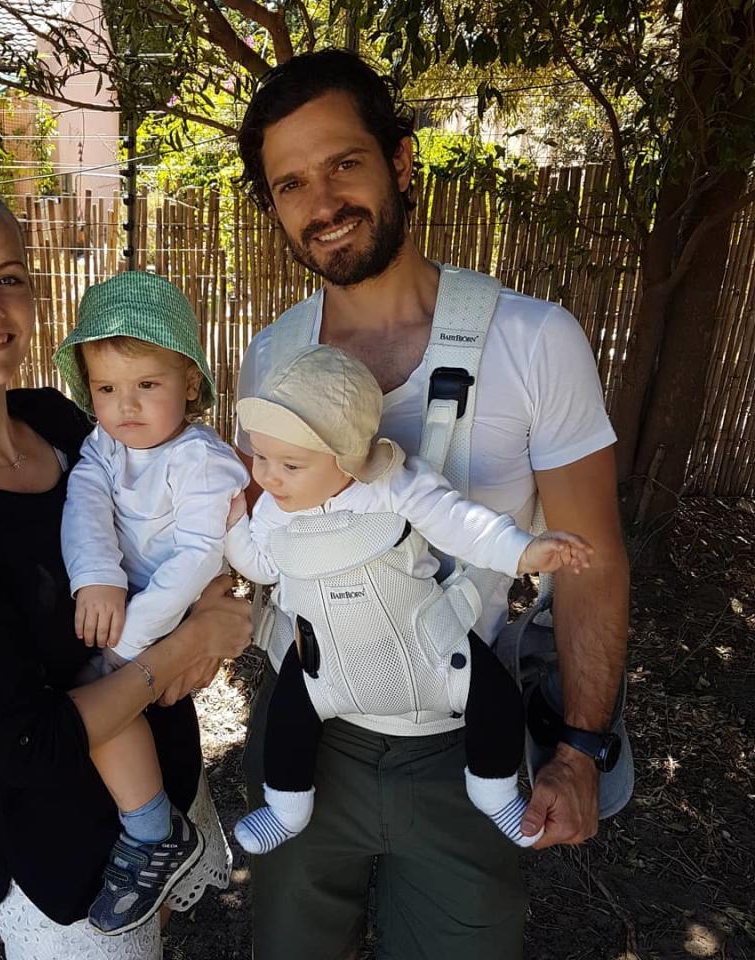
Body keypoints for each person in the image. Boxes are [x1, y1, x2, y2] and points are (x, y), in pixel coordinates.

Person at [235, 50, 630, 959]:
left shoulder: (533, 340)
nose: (322, 202)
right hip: (314, 729)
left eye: (343, 163)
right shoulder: (274, 356)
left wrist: (577, 748)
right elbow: (271, 530)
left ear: (402, 161)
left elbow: (593, 562)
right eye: (290, 183)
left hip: (467, 736)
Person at [0, 168, 252, 960]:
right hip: (71, 867)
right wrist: (183, 646)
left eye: (8, 277)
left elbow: (176, 525)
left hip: (165, 787)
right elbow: (24, 746)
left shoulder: (65, 420)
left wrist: (216, 595)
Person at [225, 344, 595, 854]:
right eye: (261, 457)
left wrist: (524, 551)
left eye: (290, 463)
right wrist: (231, 531)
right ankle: (287, 808)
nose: (268, 476)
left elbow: (462, 523)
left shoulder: (392, 487)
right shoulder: (275, 508)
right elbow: (262, 565)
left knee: (496, 698)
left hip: (431, 652)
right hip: (326, 665)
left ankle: (494, 792)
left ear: (348, 456)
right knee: (288, 715)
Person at [52, 271, 248, 933]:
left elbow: (196, 559)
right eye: (106, 389)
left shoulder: (203, 462)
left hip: (171, 608)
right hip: (130, 604)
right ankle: (153, 827)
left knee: (105, 693)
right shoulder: (104, 445)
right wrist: (96, 576)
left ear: (189, 383)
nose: (124, 407)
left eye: (146, 386)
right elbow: (85, 505)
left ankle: (148, 831)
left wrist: (135, 640)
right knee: (99, 698)